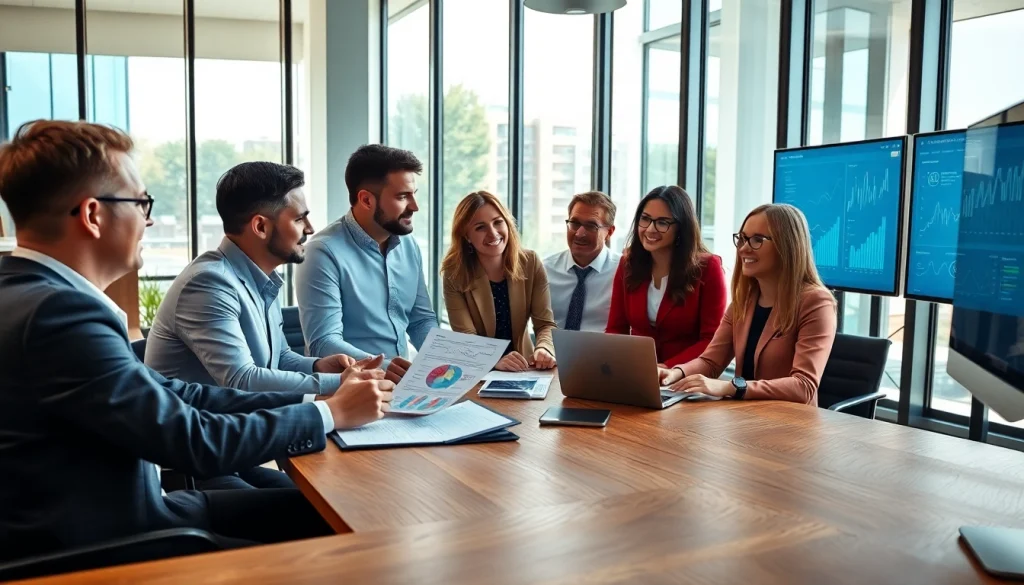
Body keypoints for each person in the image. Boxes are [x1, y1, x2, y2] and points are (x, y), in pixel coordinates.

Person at [0, 120, 394, 562]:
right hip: (113, 544)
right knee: (345, 551)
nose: (148, 219)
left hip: (140, 509)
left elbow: (176, 394)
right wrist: (329, 412)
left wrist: (314, 407)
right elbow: (193, 440)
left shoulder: (28, 294)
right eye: (140, 202)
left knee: (336, 512)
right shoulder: (61, 315)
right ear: (93, 215)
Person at [145, 161, 409, 490]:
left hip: (234, 451)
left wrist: (319, 365)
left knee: (339, 493)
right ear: (260, 226)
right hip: (194, 467)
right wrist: (339, 385)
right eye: (299, 218)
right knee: (334, 503)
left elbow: (279, 357)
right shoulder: (210, 284)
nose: (310, 228)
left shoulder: (257, 279)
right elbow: (241, 380)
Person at [661, 203, 837, 405]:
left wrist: (731, 387)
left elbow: (803, 386)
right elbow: (711, 362)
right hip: (744, 418)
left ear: (787, 245)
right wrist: (674, 373)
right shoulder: (744, 300)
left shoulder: (817, 303)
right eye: (743, 239)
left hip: (790, 425)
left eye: (757, 240)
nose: (744, 248)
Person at [295, 144, 437, 362]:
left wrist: (459, 361)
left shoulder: (409, 246)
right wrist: (387, 369)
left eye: (414, 195)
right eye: (402, 197)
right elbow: (323, 344)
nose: (415, 206)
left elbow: (421, 321)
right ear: (366, 200)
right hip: (350, 389)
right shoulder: (322, 253)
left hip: (403, 386)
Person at [606, 185, 727, 369]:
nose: (650, 229)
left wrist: (669, 368)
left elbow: (711, 340)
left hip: (686, 376)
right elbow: (616, 329)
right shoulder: (628, 264)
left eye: (662, 222)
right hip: (636, 372)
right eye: (645, 219)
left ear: (681, 228)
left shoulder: (708, 268)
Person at [441, 191, 557, 372]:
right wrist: (493, 360)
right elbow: (466, 336)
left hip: (525, 367)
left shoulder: (531, 262)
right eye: (480, 227)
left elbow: (545, 324)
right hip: (478, 370)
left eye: (498, 222)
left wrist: (543, 348)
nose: (493, 233)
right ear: (466, 235)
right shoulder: (454, 272)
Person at [543, 191, 621, 332]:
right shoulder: (545, 270)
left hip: (605, 352)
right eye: (575, 223)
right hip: (552, 352)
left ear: (609, 232)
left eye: (591, 226)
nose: (579, 233)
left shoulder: (624, 271)